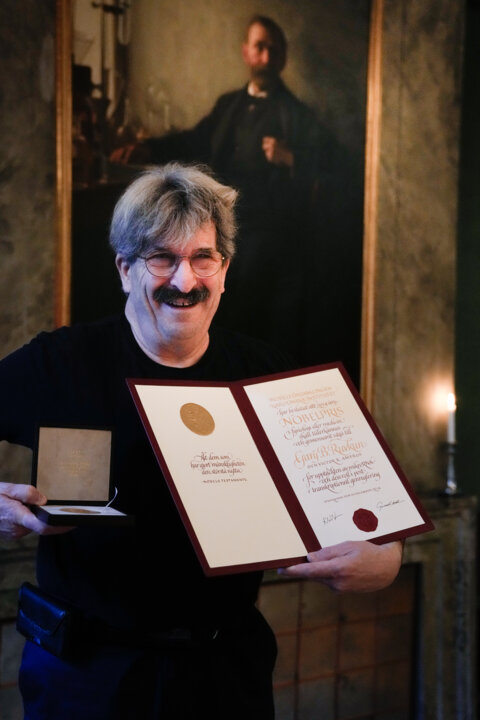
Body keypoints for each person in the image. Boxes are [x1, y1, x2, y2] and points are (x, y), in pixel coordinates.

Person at [0, 163, 402, 720]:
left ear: (224, 269)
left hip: (226, 673)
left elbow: (375, 523)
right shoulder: (60, 363)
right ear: (124, 268)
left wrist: (384, 559)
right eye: (161, 257)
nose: (184, 281)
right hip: (87, 678)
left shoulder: (269, 375)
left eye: (202, 258)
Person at [111, 15, 325, 364]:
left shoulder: (299, 116)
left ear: (283, 57)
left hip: (271, 240)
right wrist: (147, 149)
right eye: (260, 47)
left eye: (274, 49)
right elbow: (194, 140)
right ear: (246, 53)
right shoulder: (229, 106)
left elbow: (332, 170)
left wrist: (291, 158)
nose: (267, 57)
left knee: (257, 331)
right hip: (217, 234)